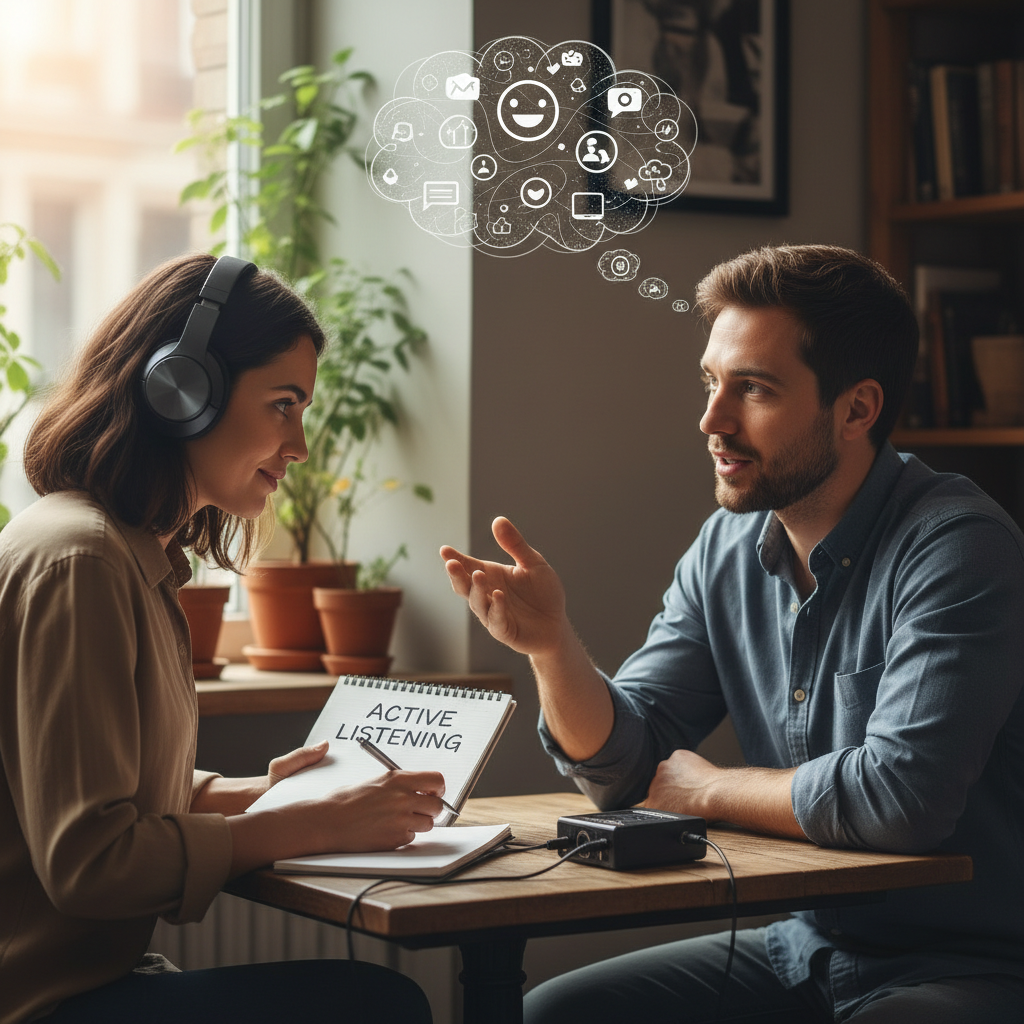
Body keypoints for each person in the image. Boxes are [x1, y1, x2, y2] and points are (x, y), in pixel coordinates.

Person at [440, 244, 1024, 1023]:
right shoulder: (726, 547)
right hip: (803, 946)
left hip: (974, 962)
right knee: (558, 1014)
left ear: (856, 409)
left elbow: (903, 796)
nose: (711, 420)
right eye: (713, 383)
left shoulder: (958, 544)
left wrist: (711, 788)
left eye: (753, 390)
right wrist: (552, 647)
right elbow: (628, 771)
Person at [0, 253, 440, 1024]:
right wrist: (303, 825)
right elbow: (90, 863)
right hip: (42, 1004)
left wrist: (257, 793)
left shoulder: (122, 555)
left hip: (90, 983)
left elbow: (108, 792)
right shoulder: (81, 561)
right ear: (181, 393)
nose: (298, 445)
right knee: (381, 1005)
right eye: (283, 404)